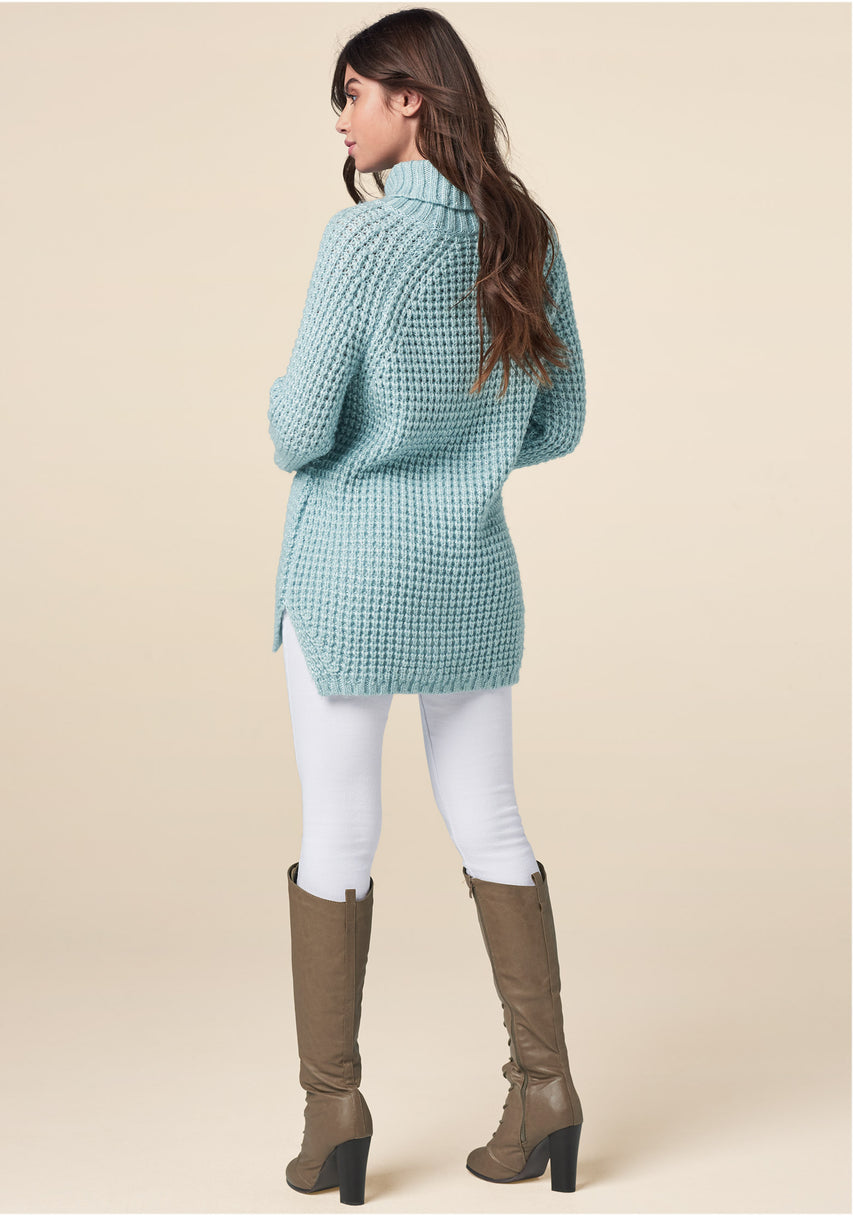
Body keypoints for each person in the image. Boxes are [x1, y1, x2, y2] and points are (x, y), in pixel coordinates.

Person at [267, 8, 586, 1205]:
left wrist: (291, 409)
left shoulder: (362, 242)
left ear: (411, 97)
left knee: (340, 833)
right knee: (492, 821)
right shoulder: (525, 234)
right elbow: (561, 421)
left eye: (354, 94)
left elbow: (301, 428)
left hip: (348, 576)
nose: (342, 121)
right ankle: (547, 1091)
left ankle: (334, 1117)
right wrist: (467, 458)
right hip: (470, 574)